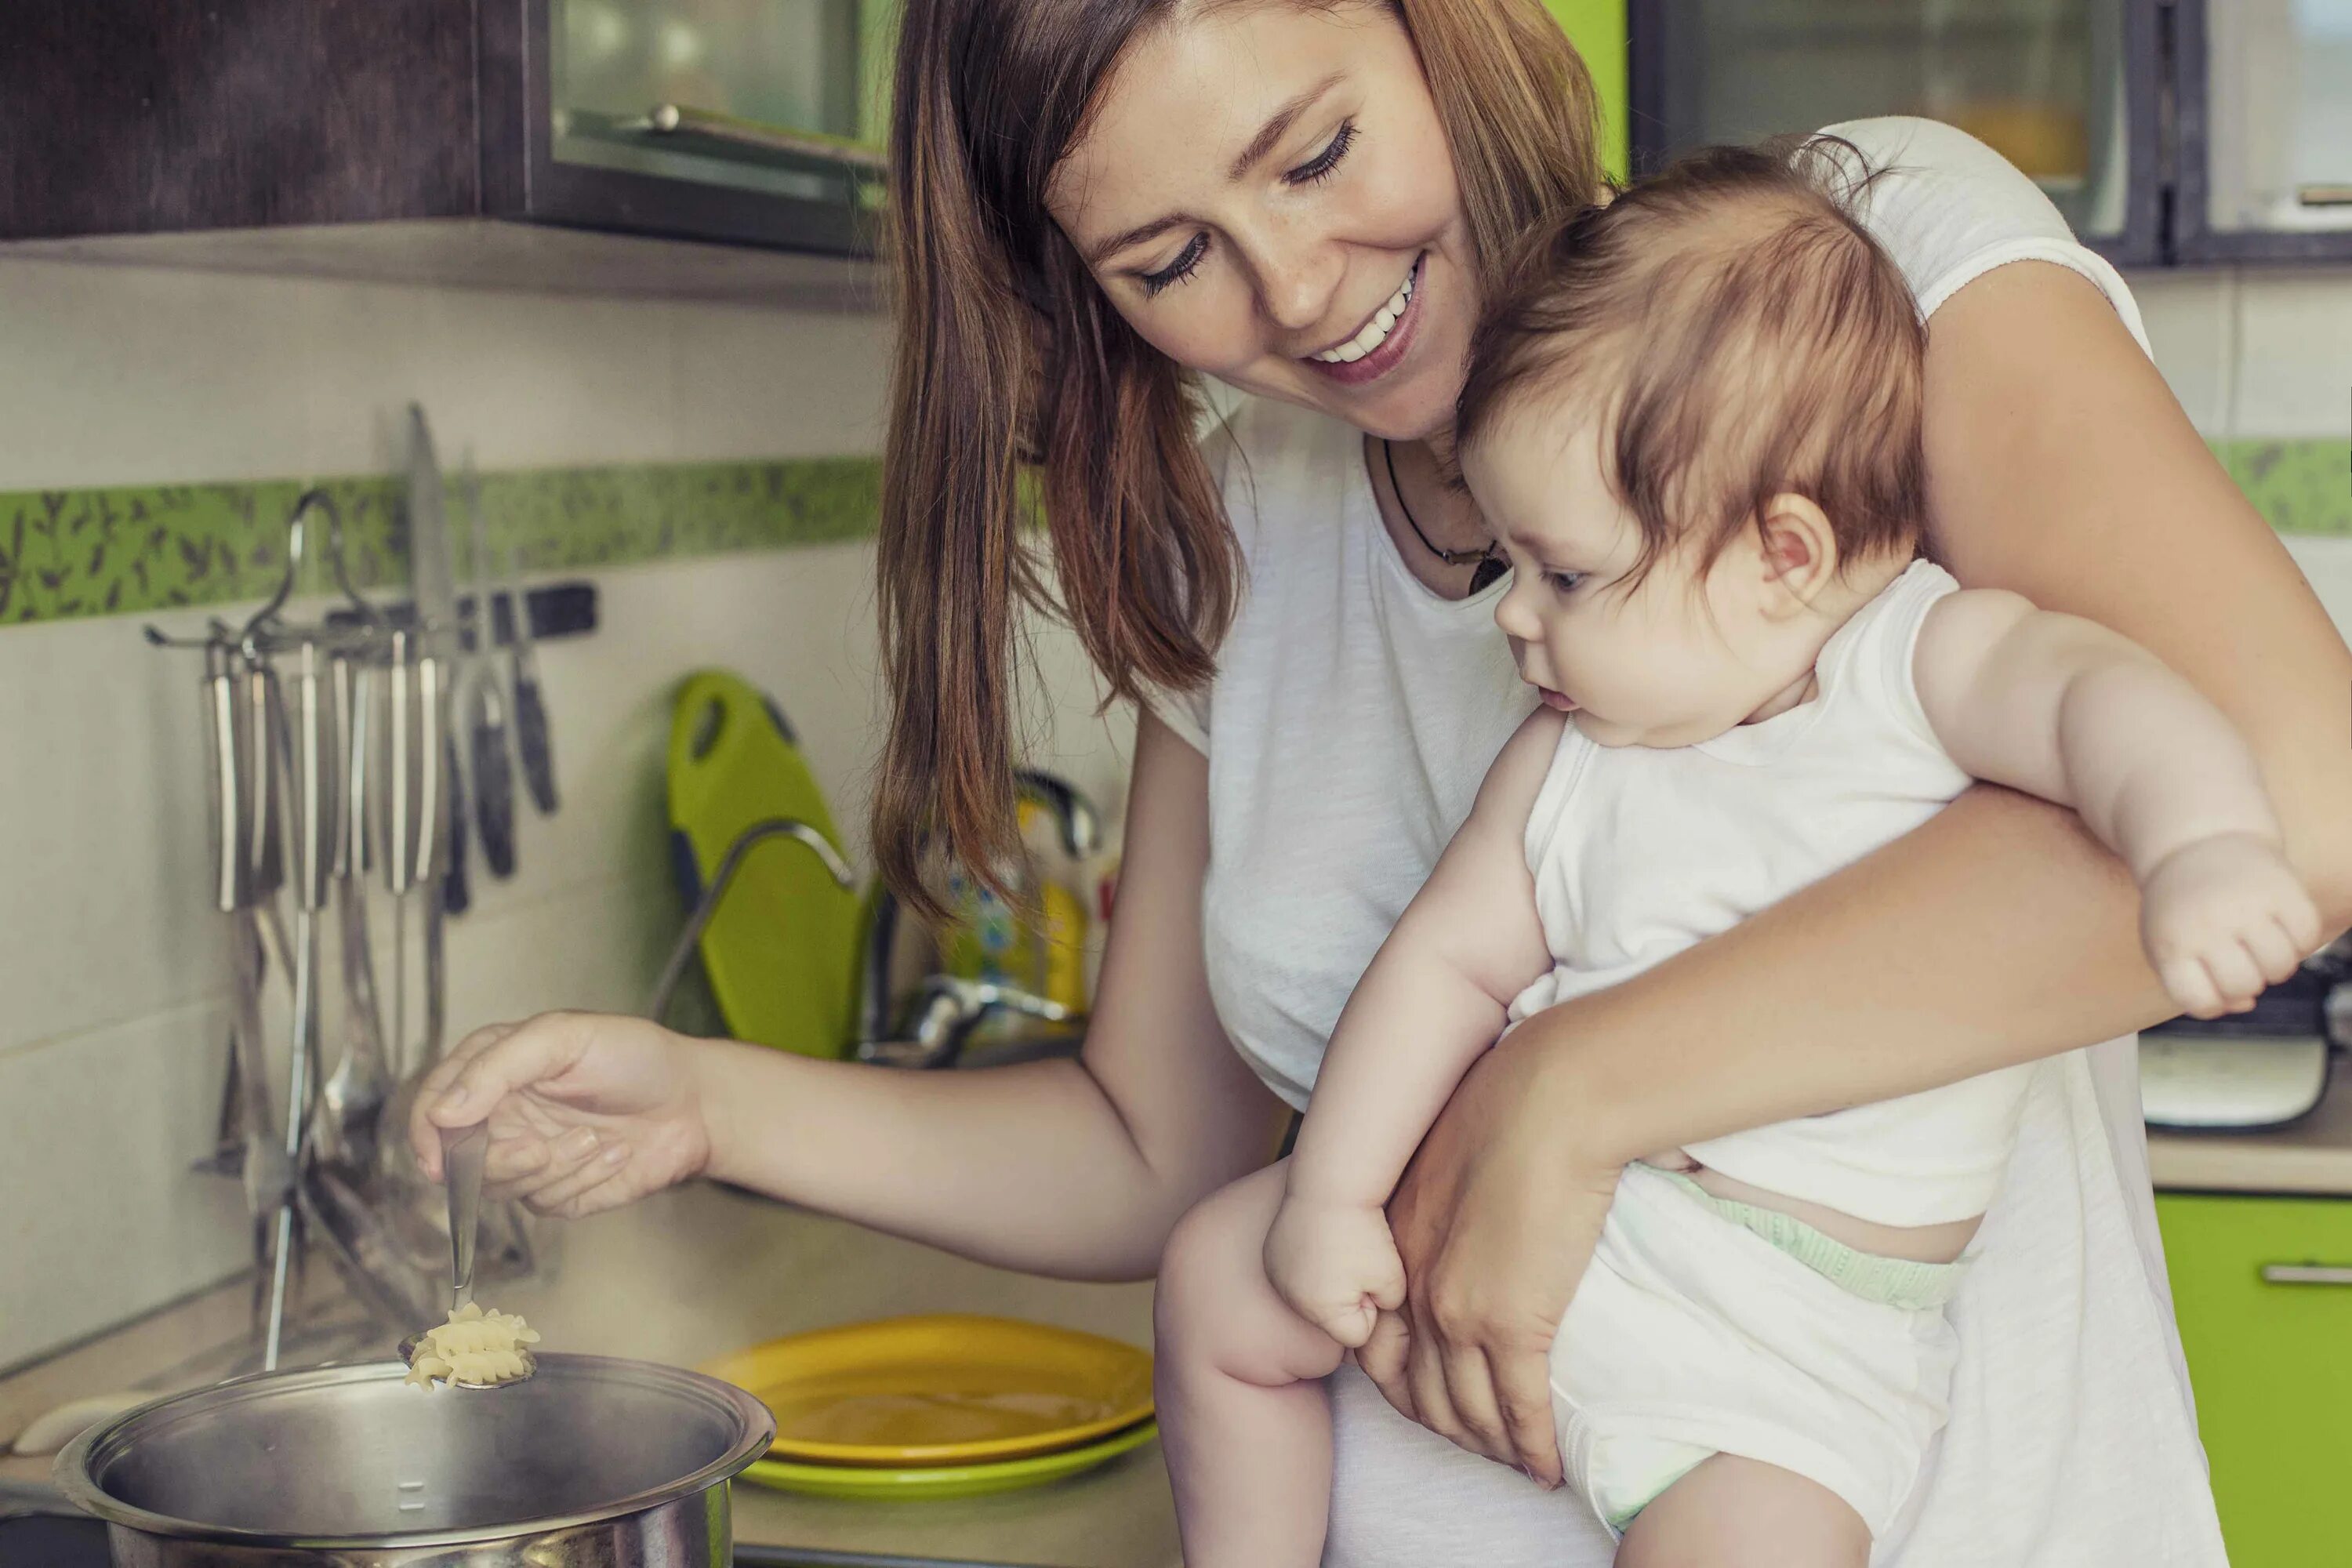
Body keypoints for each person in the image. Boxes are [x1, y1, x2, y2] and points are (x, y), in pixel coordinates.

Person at [410, 2, 2352, 1562]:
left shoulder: (1844, 272)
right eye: (1170, 258)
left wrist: (1567, 1093)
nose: (1299, 293)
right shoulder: (1237, 520)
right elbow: (1159, 1149)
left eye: (1317, 152)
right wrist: (705, 1101)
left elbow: (2290, 787)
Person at [1153, 141, 2321, 1568]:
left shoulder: (1918, 660)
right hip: (1565, 1255)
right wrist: (1332, 1200)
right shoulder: (1570, 755)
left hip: (1794, 1355)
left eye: (1564, 574)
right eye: (1511, 570)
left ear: (1784, 554)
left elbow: (2110, 702)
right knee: (1219, 1274)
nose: (1516, 621)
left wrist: (2198, 841)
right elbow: (1442, 967)